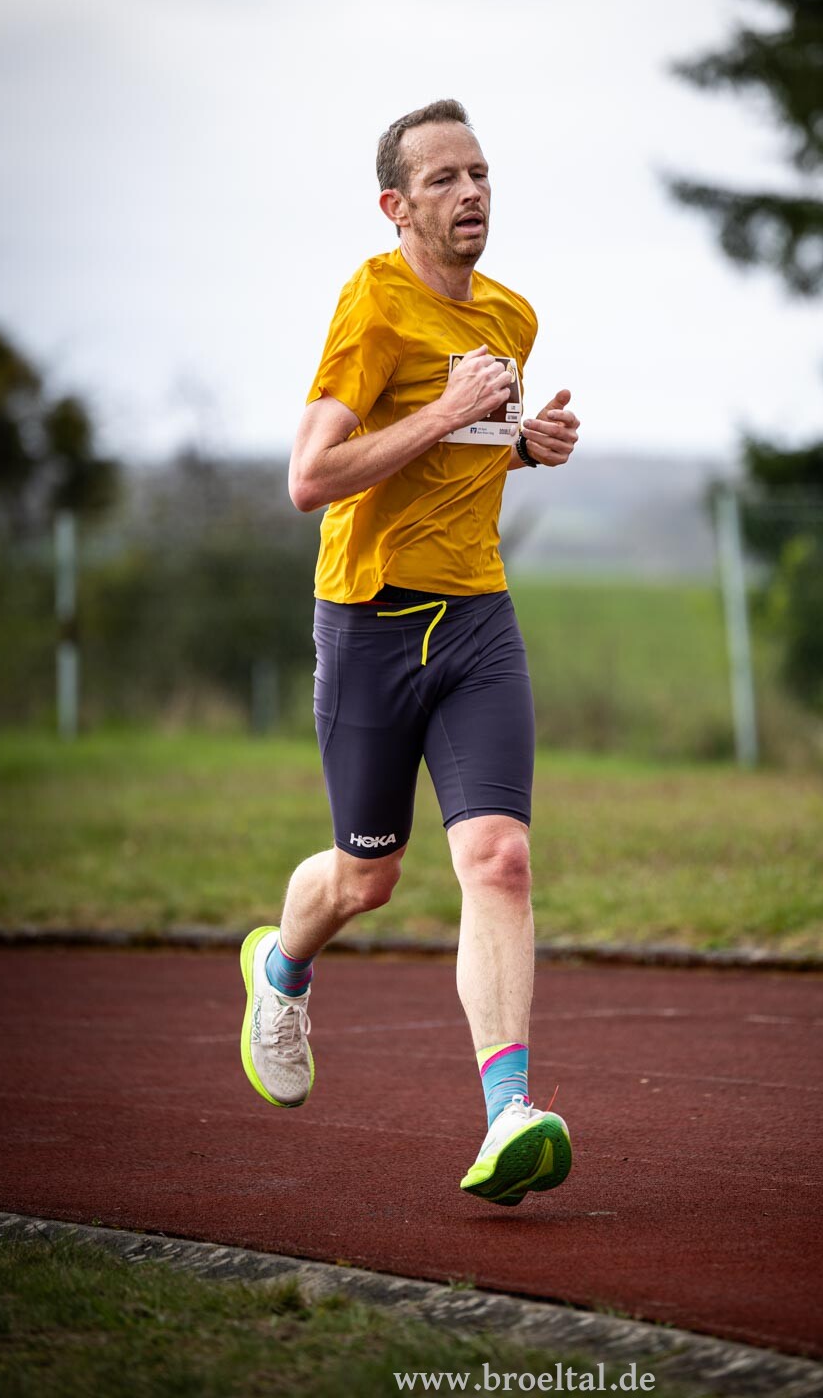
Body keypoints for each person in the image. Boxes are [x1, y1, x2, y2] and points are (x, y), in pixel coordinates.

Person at [239, 99, 580, 1206]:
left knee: (500, 858)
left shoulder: (512, 316)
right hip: (370, 622)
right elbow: (310, 477)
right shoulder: (373, 303)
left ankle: (506, 1114)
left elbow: (462, 454)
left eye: (478, 172)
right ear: (395, 205)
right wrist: (446, 408)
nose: (470, 192)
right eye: (442, 179)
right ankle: (280, 968)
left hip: (476, 618)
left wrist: (523, 445)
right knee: (366, 876)